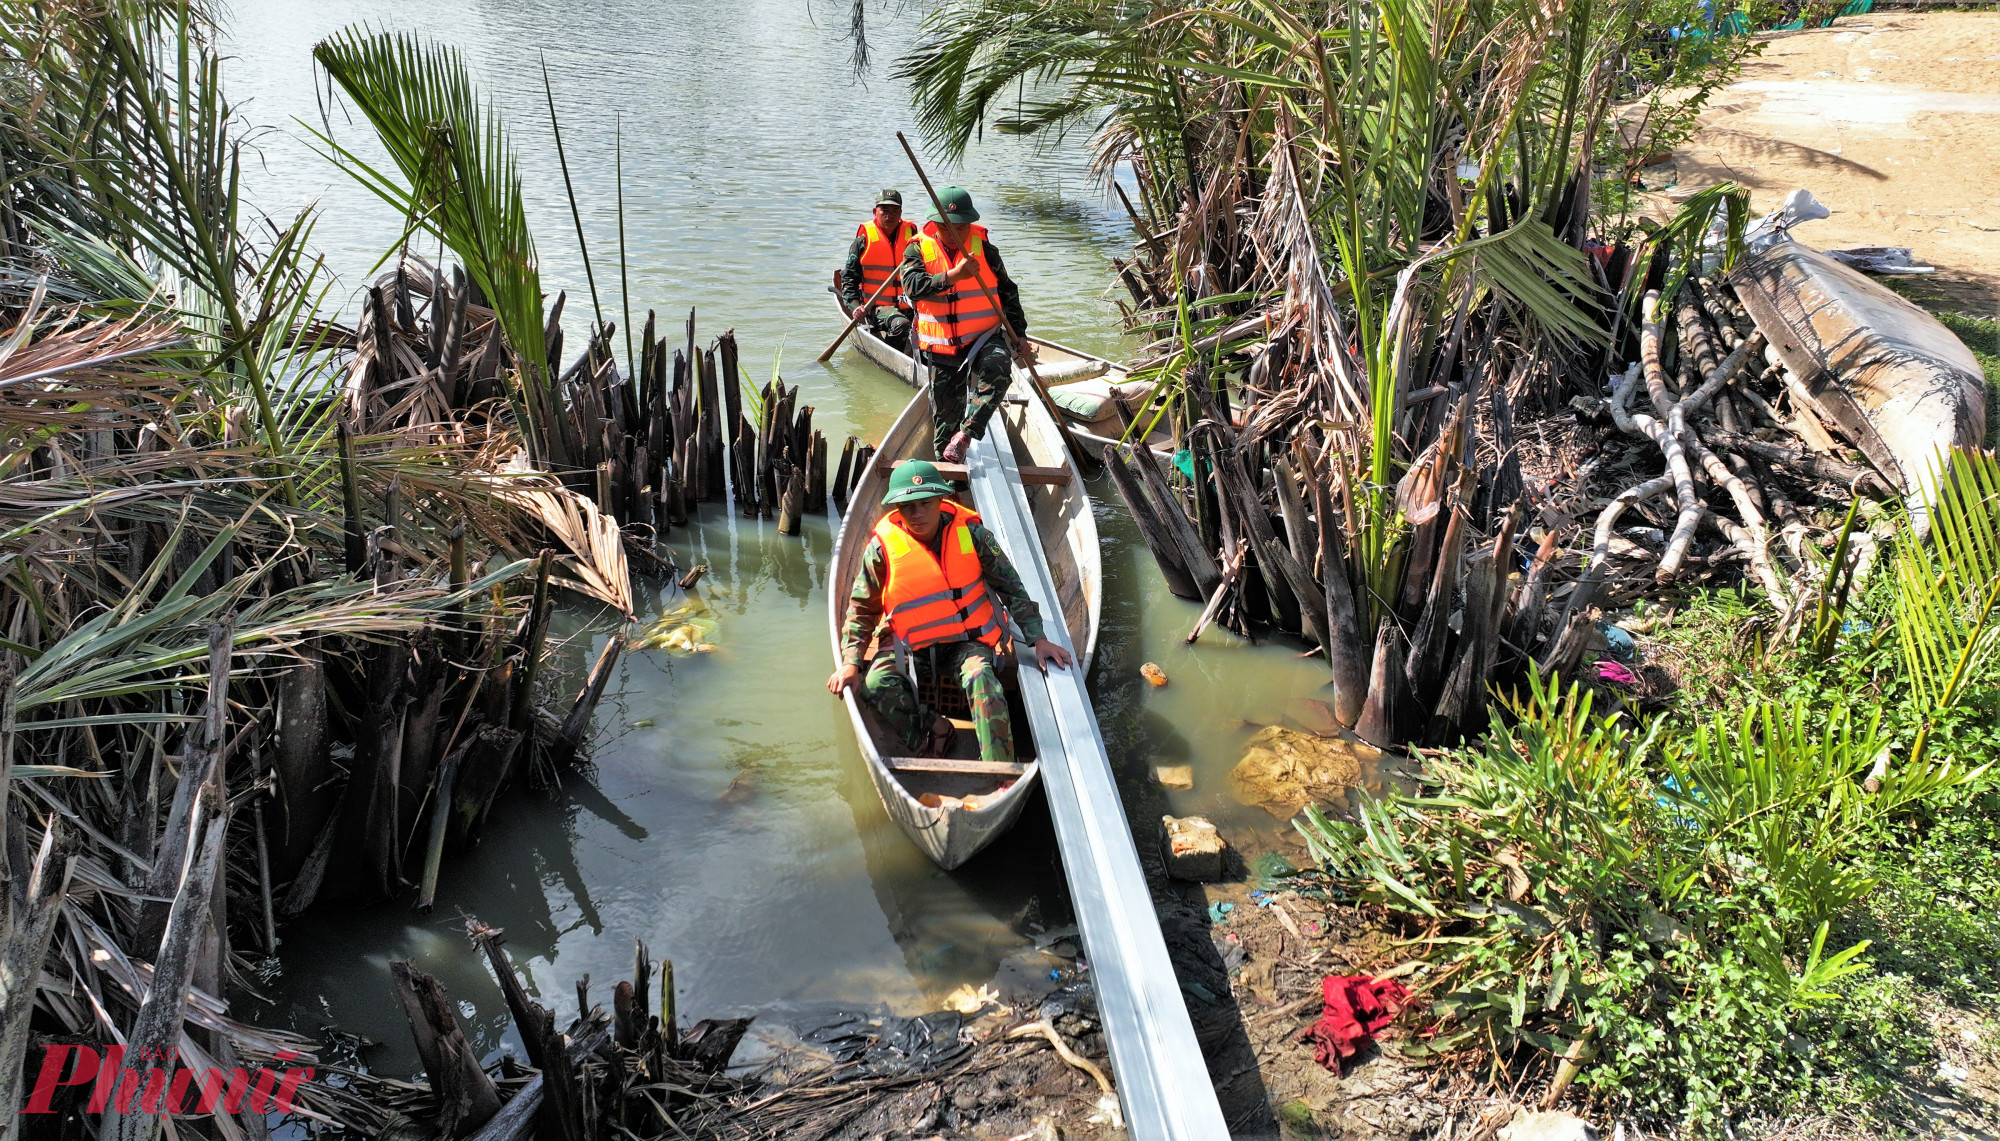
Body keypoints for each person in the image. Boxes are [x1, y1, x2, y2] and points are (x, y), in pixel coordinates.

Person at [826, 460, 1073, 765]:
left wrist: (1038, 639)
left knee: (984, 682)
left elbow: (1011, 587)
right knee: (875, 683)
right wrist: (851, 661)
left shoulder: (973, 535)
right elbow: (862, 609)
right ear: (896, 508)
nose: (916, 513)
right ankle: (932, 731)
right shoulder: (880, 549)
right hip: (909, 645)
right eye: (907, 506)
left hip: (966, 642)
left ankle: (999, 770)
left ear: (941, 500)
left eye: (925, 503)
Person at [899, 186, 1035, 463]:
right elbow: (912, 287)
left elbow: (1008, 292)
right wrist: (953, 276)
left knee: (999, 366)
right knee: (944, 422)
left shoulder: (985, 249)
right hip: (941, 345)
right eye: (945, 228)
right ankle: (950, 477)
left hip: (984, 336)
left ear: (970, 223)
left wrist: (1019, 334)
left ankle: (966, 434)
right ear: (935, 224)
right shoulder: (917, 248)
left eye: (960, 228)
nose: (952, 235)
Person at [840, 189, 919, 351]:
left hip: (910, 305)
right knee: (901, 324)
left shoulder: (912, 236)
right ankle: (890, 355)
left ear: (901, 213)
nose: (890, 215)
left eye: (895, 210)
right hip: (875, 308)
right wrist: (855, 307)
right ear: (875, 212)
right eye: (884, 210)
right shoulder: (863, 241)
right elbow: (848, 280)